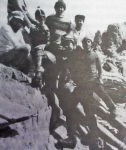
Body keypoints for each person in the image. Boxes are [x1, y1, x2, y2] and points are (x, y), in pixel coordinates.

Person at [56, 34, 117, 149]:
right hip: (79, 88)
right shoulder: (67, 56)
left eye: (69, 43)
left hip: (88, 87)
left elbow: (93, 67)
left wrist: (98, 78)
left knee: (89, 112)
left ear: (74, 44)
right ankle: (73, 138)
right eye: (65, 44)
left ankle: (92, 138)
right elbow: (67, 72)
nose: (67, 46)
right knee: (71, 109)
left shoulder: (80, 54)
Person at [43, 0, 71, 136]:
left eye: (62, 7)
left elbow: (70, 38)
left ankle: (59, 111)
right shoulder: (50, 19)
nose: (60, 9)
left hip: (61, 52)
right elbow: (44, 32)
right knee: (50, 79)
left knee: (60, 79)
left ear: (64, 9)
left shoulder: (68, 23)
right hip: (50, 49)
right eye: (58, 7)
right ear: (55, 8)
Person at [30, 7, 50, 87]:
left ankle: (38, 75)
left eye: (43, 16)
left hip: (43, 48)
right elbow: (31, 38)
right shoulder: (33, 28)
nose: (41, 18)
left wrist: (42, 46)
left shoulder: (46, 28)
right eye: (39, 17)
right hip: (34, 48)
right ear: (36, 18)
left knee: (39, 50)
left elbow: (48, 42)